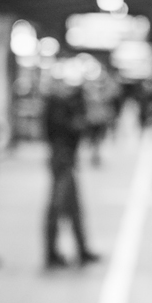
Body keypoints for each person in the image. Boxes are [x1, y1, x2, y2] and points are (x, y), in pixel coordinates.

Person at [43, 78, 99, 268]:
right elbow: (70, 128)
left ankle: (81, 250)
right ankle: (51, 253)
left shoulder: (61, 105)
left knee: (73, 208)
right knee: (57, 207)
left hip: (66, 161)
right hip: (62, 162)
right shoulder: (59, 106)